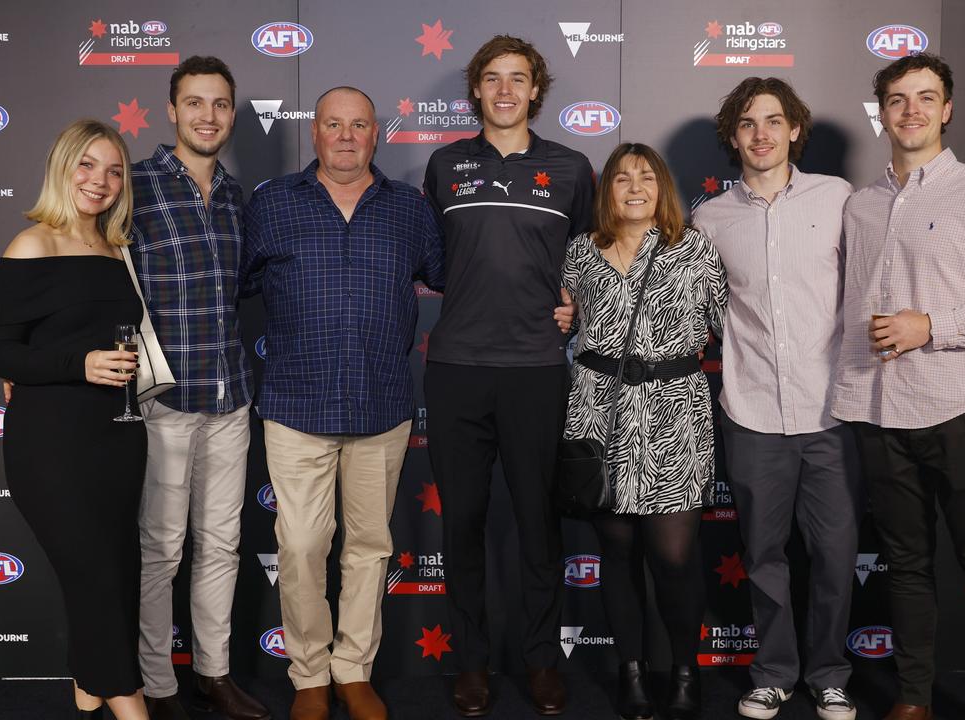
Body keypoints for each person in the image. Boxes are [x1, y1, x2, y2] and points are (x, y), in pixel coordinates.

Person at [831, 53, 965, 720]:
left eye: (926, 98)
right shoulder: (860, 208)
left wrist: (933, 326)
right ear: (882, 113)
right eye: (898, 99)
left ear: (948, 109)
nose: (912, 110)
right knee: (906, 563)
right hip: (880, 409)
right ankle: (915, 698)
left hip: (959, 407)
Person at [241, 86, 444, 720]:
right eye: (334, 124)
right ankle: (309, 674)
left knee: (370, 546)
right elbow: (230, 283)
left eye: (359, 125)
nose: (347, 136)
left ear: (376, 134)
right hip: (297, 405)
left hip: (381, 406)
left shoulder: (410, 209)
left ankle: (354, 669)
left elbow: (457, 279)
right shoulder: (273, 204)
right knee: (301, 545)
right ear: (316, 134)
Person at [422, 34, 594, 717]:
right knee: (460, 524)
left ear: (534, 91)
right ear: (476, 91)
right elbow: (432, 259)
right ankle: (472, 664)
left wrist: (576, 304)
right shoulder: (443, 166)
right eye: (491, 79)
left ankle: (542, 661)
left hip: (536, 371)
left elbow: (586, 261)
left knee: (538, 524)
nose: (503, 90)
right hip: (457, 369)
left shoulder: (572, 167)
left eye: (516, 79)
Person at [694, 78, 860, 720]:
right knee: (763, 556)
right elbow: (693, 311)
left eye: (773, 120)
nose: (760, 133)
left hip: (830, 411)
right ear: (732, 136)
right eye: (746, 123)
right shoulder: (709, 218)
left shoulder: (839, 199)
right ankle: (773, 671)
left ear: (795, 129)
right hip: (753, 410)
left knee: (835, 554)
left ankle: (830, 674)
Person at [0, 119, 149, 720]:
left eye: (113, 169)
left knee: (117, 567)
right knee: (94, 572)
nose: (99, 181)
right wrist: (78, 363)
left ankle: (89, 677)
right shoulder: (33, 244)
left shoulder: (116, 248)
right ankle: (131, 704)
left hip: (118, 435)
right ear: (61, 167)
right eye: (87, 164)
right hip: (50, 443)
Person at [562, 143, 727, 720]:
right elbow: (564, 319)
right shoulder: (581, 252)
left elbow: (726, 325)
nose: (634, 187)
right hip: (599, 413)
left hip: (674, 415)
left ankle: (686, 670)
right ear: (607, 190)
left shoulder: (696, 250)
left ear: (662, 188)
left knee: (674, 556)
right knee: (617, 549)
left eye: (646, 178)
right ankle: (630, 672)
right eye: (621, 178)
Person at [128, 56, 268, 720]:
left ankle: (213, 672)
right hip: (163, 402)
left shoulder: (241, 198)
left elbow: (238, 293)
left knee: (221, 544)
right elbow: (83, 270)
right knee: (160, 548)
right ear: (172, 110)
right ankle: (155, 684)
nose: (207, 116)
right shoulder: (133, 185)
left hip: (230, 396)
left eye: (219, 105)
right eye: (194, 103)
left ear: (231, 115)